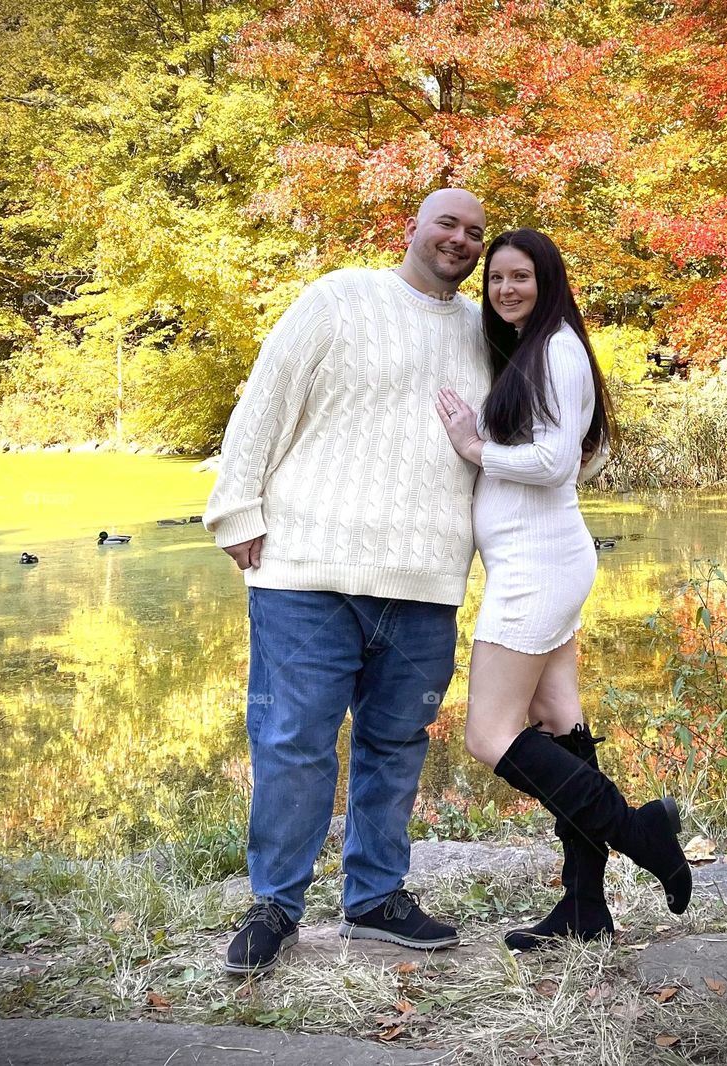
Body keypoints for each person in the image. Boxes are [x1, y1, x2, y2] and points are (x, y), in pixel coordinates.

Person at [204, 188, 490, 975]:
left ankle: (374, 901)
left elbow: (547, 422)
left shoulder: (486, 331)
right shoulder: (340, 298)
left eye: (475, 231)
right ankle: (275, 906)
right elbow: (264, 401)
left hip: (426, 579)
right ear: (412, 229)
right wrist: (236, 509)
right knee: (294, 741)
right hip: (307, 569)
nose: (460, 240)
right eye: (447, 223)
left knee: (397, 743)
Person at [434, 229, 692, 951]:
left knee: (490, 734)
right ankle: (583, 907)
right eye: (497, 279)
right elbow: (584, 449)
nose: (507, 289)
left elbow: (552, 462)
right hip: (539, 559)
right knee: (557, 720)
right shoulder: (538, 351)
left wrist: (474, 449)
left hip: (536, 569)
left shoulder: (555, 350)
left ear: (549, 281)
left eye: (521, 277)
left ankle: (642, 833)